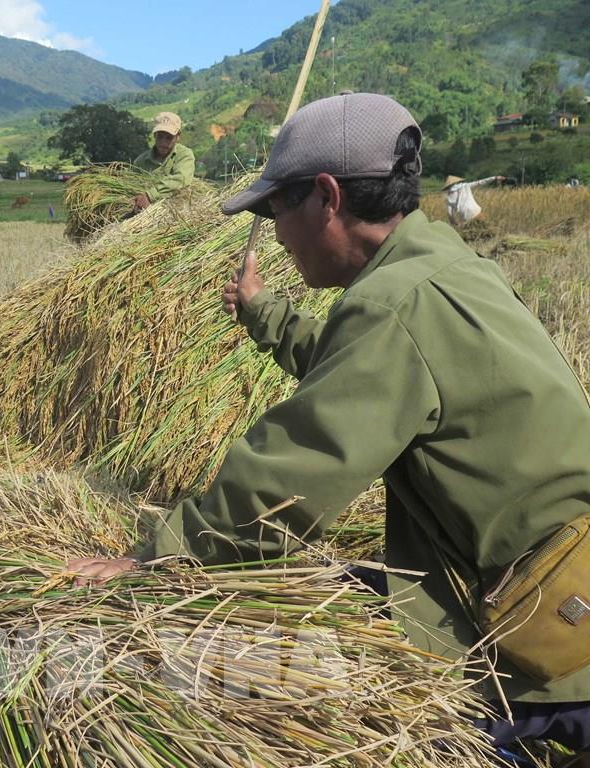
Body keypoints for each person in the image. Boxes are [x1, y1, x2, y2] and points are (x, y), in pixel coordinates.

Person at [68, 92, 590, 755]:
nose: (276, 235)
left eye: (276, 211)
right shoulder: (443, 268)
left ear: (327, 197)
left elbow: (291, 473)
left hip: (547, 646)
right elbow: (364, 373)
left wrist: (157, 558)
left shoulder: (393, 306)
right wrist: (265, 315)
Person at [131, 112, 196, 211]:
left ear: (178, 136)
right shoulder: (140, 161)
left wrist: (150, 196)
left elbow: (180, 179)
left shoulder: (184, 155)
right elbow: (132, 184)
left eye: (169, 138)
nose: (163, 142)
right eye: (160, 137)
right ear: (154, 135)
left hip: (176, 211)